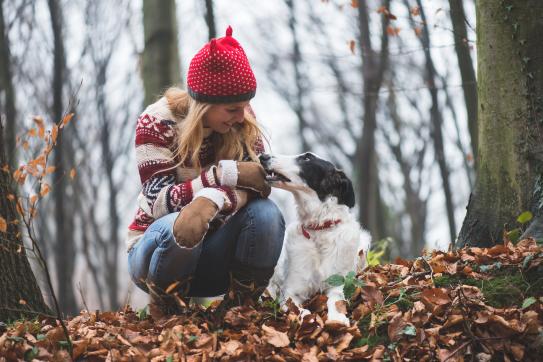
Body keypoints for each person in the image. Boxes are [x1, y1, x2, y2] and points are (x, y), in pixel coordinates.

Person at [126, 26, 285, 319]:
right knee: (182, 220)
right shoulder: (156, 122)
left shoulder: (243, 120)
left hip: (215, 256)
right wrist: (223, 176)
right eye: (232, 109)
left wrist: (213, 198)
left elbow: (260, 183)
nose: (243, 116)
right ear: (204, 104)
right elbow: (159, 203)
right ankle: (167, 311)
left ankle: (240, 310)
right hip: (154, 255)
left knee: (267, 214)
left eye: (246, 105)